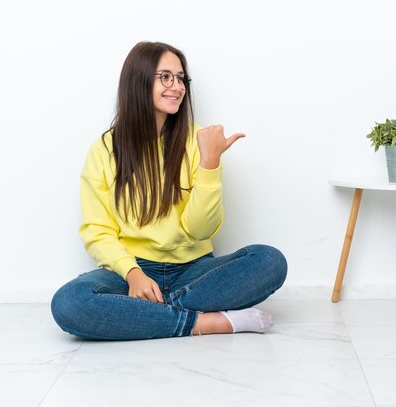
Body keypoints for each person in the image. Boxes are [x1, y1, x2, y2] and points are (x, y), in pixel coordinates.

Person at [51, 41, 287, 340]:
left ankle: (141, 315)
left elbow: (201, 230)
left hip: (194, 272)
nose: (177, 86)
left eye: (180, 78)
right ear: (138, 82)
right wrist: (132, 274)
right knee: (69, 302)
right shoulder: (105, 149)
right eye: (165, 76)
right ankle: (206, 323)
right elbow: (97, 229)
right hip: (131, 270)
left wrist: (209, 162)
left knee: (270, 262)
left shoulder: (199, 142)